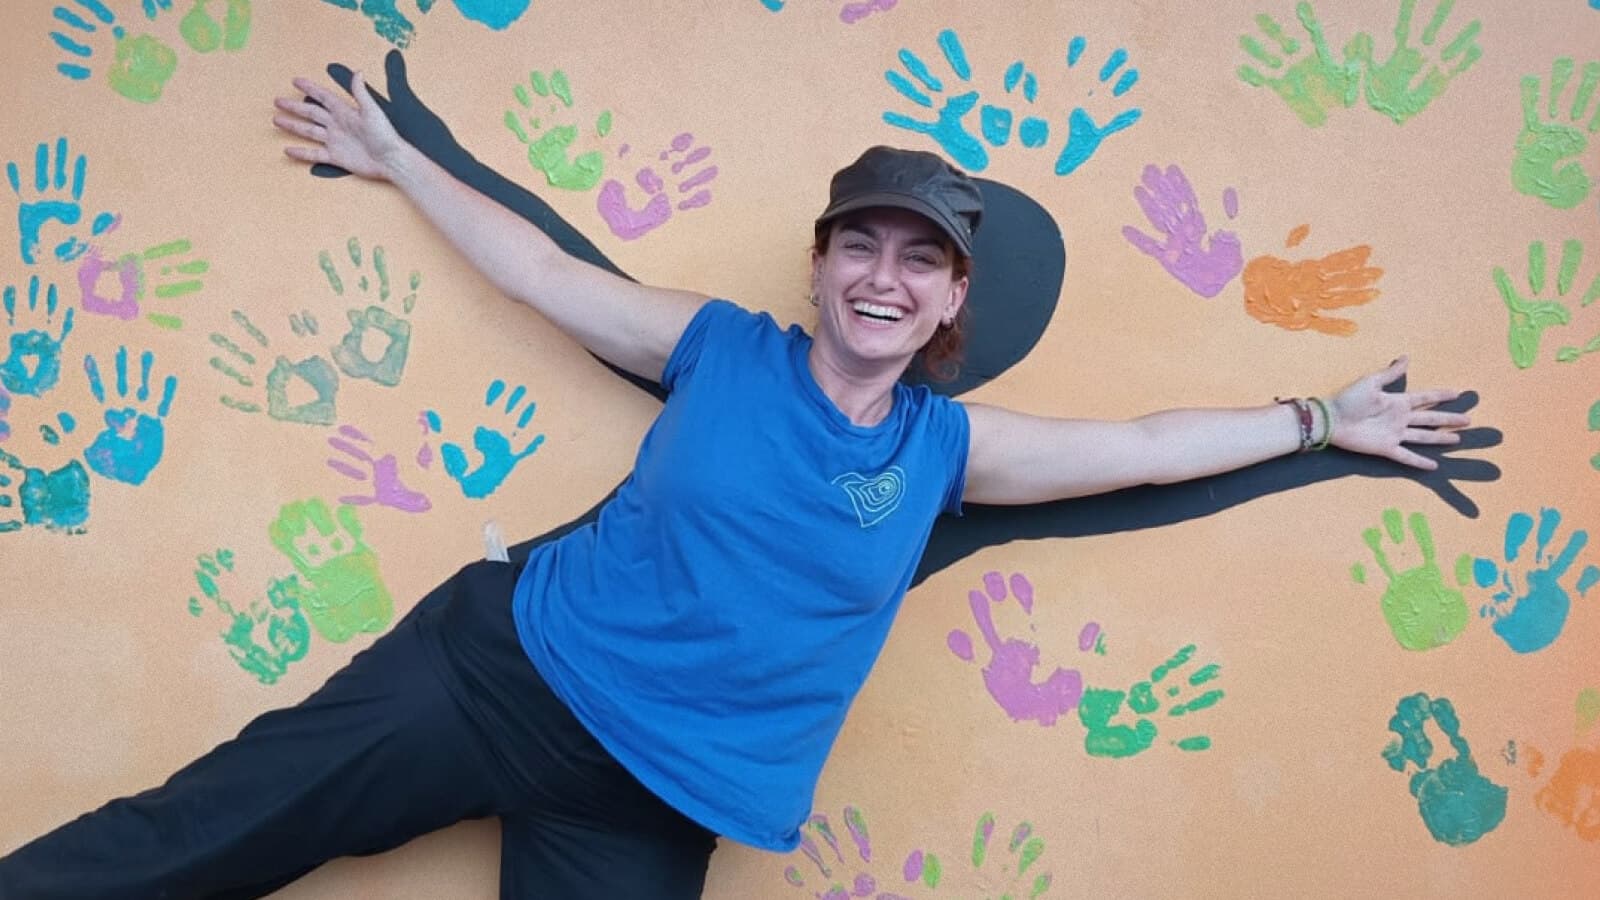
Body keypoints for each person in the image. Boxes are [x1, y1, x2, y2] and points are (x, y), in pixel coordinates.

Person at [0, 69, 1470, 900]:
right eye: (861, 244)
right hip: (494, 675)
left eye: (921, 259)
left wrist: (1318, 417)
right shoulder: (718, 346)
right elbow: (550, 275)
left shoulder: (958, 451)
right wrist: (397, 157)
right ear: (824, 260)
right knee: (190, 842)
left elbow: (1148, 443)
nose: (883, 276)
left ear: (950, 301)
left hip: (650, 804)